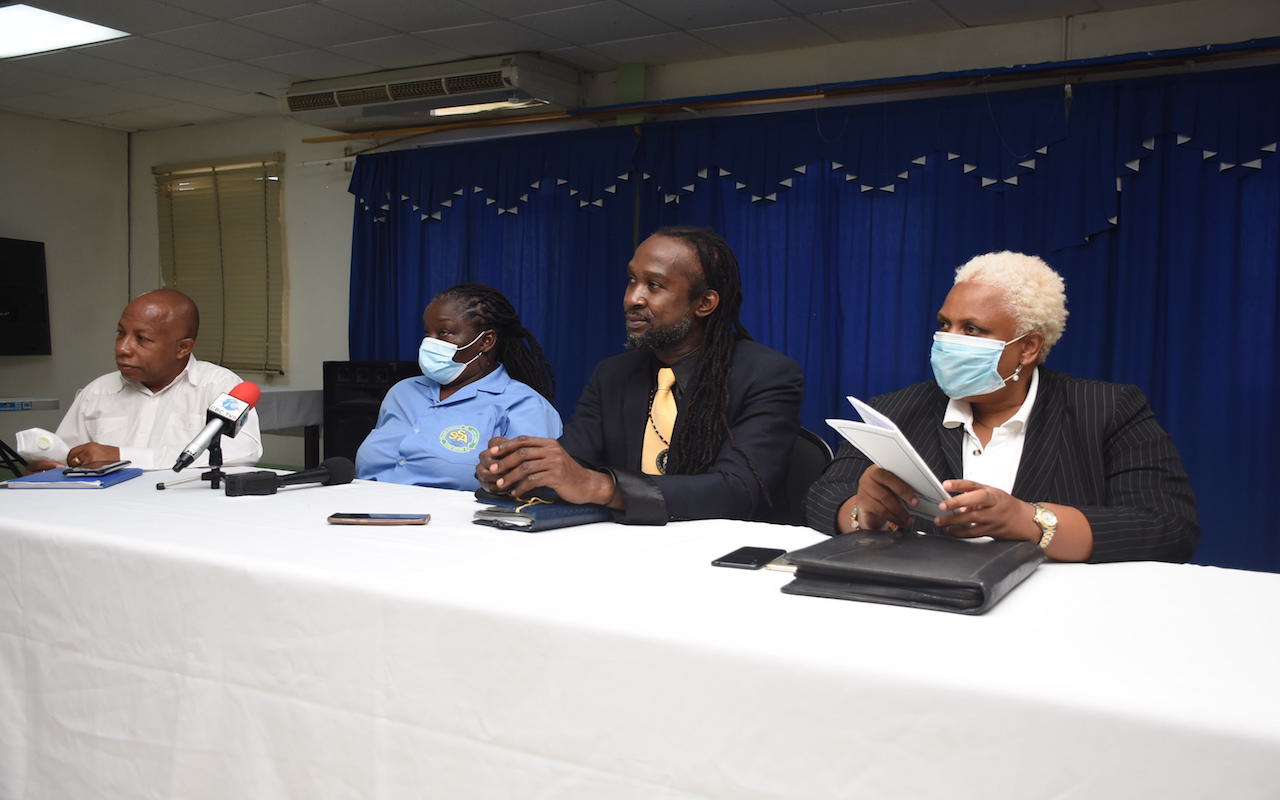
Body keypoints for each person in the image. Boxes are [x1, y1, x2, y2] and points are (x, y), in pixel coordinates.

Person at [805, 251, 1199, 563]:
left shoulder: (1107, 410)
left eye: (972, 329)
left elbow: (1168, 527)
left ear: (1027, 348)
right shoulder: (896, 409)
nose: (948, 340)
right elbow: (823, 495)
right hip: (926, 603)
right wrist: (862, 512)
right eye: (944, 324)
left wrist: (1029, 521)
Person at [476, 226, 803, 523]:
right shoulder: (613, 375)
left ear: (704, 303)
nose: (632, 298)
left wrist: (604, 488)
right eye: (632, 280)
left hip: (720, 553)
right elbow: (574, 465)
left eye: (654, 285)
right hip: (624, 548)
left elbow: (738, 491)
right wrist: (517, 473)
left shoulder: (765, 375)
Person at [25, 289, 263, 472]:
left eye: (142, 339)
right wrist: (51, 467)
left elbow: (243, 451)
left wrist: (123, 456)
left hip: (184, 512)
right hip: (105, 512)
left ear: (183, 348)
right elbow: (67, 456)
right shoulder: (98, 391)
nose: (122, 348)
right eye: (120, 333)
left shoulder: (217, 385)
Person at [356, 283, 562, 490]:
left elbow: (532, 491)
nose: (429, 343)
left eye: (444, 332)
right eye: (427, 333)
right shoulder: (402, 393)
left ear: (486, 341)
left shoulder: (525, 406)